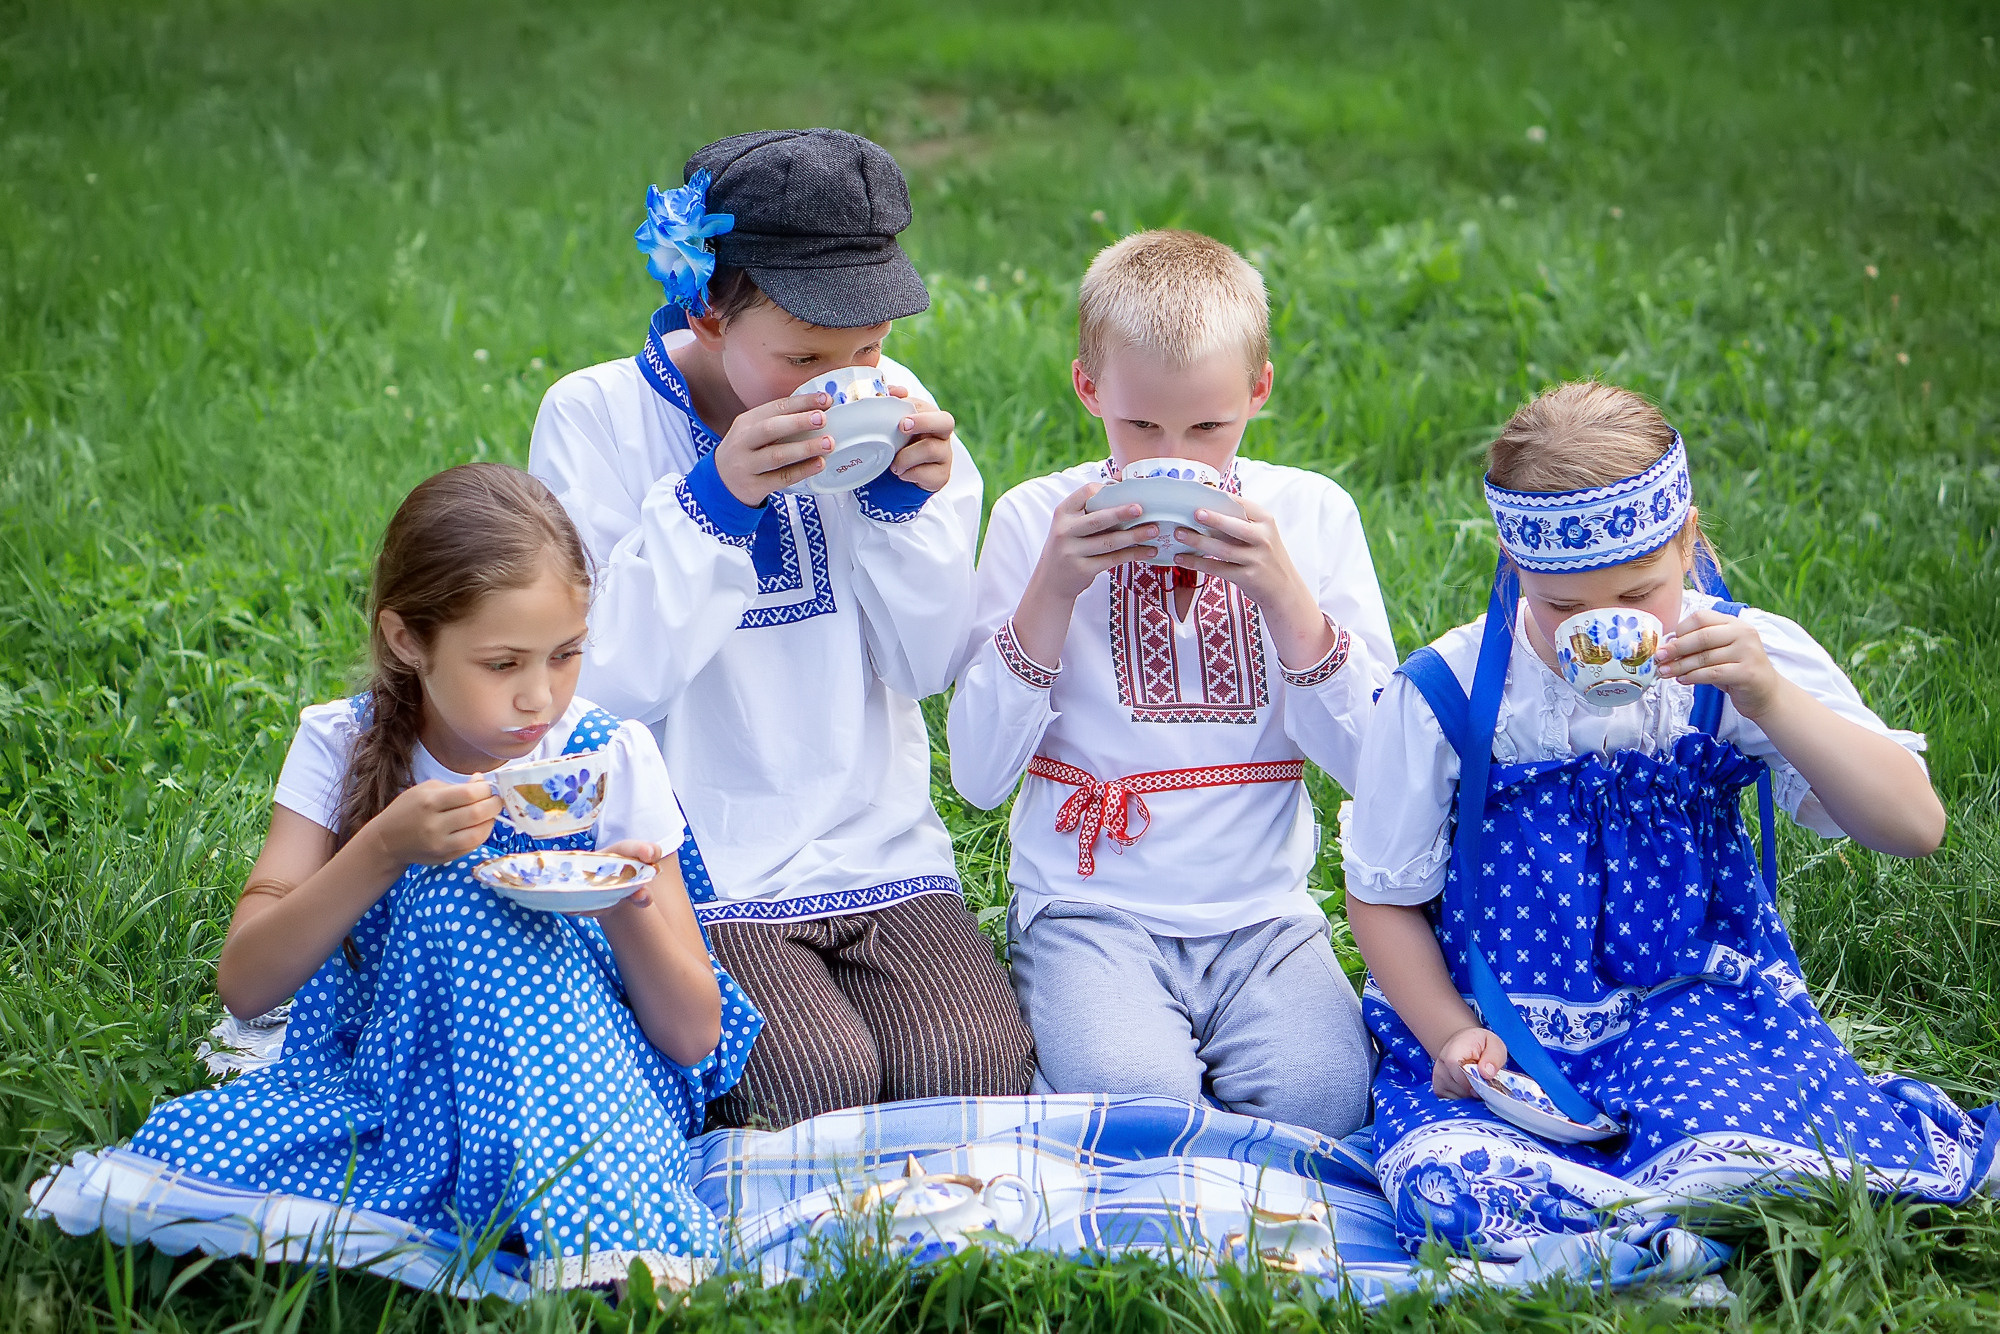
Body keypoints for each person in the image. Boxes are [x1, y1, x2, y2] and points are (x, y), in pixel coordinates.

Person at [1346, 381, 1996, 1257]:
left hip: (1687, 996)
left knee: (1745, 1160)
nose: (1602, 631)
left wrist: (1768, 698)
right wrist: (1449, 1033)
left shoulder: (1742, 658)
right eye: (1564, 608)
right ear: (1514, 562)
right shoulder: (1451, 695)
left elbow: (1914, 826)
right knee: (1456, 1186)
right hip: (1502, 1015)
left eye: (1638, 595)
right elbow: (1383, 893)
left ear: (1688, 541)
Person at [103, 463, 759, 1291]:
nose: (541, 700)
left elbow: (692, 1033)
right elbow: (246, 984)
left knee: (499, 921)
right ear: (407, 640)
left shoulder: (611, 758)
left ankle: (583, 1217)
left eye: (566, 656)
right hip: (401, 1077)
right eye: (502, 664)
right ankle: (539, 1210)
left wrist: (621, 901)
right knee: (459, 897)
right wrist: (380, 849)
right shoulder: (341, 746)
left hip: (601, 1090)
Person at [529, 129, 1033, 1131]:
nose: (841, 379)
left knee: (967, 1068)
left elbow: (925, 662)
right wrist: (712, 503)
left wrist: (904, 516)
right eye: (804, 356)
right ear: (708, 310)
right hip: (699, 849)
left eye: (869, 351)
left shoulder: (901, 412)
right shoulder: (596, 417)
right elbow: (606, 681)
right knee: (807, 1080)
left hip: (872, 841)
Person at [948, 230, 1394, 1138]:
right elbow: (977, 776)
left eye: (1207, 427)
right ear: (1088, 389)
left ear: (1258, 391)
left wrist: (1285, 598)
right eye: (1141, 427)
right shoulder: (1038, 516)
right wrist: (1053, 589)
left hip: (1263, 917)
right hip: (1089, 909)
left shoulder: (1310, 516)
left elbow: (1374, 765)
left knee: (1327, 1106)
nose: (1173, 451)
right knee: (1139, 1108)